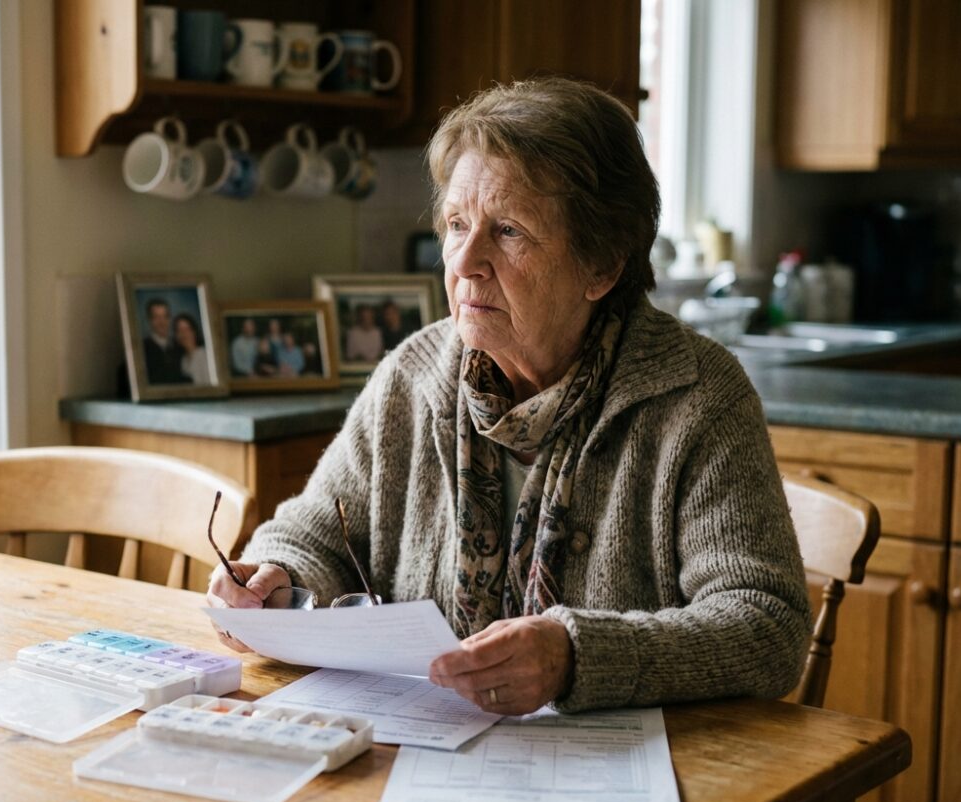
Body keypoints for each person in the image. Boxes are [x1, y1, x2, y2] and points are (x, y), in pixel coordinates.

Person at [207, 78, 809, 717]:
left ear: (601, 265)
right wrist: (275, 576)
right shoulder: (414, 376)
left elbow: (766, 625)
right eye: (457, 225)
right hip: (429, 754)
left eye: (509, 232)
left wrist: (577, 656)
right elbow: (318, 534)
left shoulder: (697, 397)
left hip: (626, 780)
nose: (465, 261)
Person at [142, 299, 187, 384]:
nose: (162, 322)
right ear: (149, 320)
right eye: (157, 317)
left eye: (165, 317)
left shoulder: (179, 345)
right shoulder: (142, 348)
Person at [174, 313, 211, 385]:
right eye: (179, 331)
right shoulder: (183, 359)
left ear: (194, 332)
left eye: (187, 329)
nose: (184, 334)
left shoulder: (204, 355)